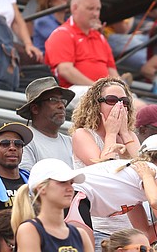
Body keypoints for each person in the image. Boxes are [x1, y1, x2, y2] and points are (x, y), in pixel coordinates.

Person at [70, 76, 140, 251]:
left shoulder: (130, 136)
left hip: (129, 230)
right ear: (96, 104)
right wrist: (111, 134)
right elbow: (103, 171)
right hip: (99, 228)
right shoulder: (83, 134)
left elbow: (146, 169)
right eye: (111, 100)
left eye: (124, 101)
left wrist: (125, 134)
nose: (119, 106)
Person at [44, 0, 146, 110]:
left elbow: (112, 71)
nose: (95, 13)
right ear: (74, 8)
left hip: (104, 91)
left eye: (98, 9)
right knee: (132, 106)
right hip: (74, 90)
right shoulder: (62, 34)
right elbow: (66, 70)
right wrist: (100, 88)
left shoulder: (100, 37)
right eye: (90, 9)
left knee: (146, 110)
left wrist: (118, 87)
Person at [11, 158, 93, 251]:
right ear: (41, 188)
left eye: (71, 183)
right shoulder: (29, 230)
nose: (70, 188)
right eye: (62, 182)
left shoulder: (81, 235)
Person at [16, 76, 75, 171]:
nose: (61, 106)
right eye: (53, 100)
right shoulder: (24, 141)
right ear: (35, 108)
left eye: (62, 101)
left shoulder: (71, 142)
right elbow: (28, 181)